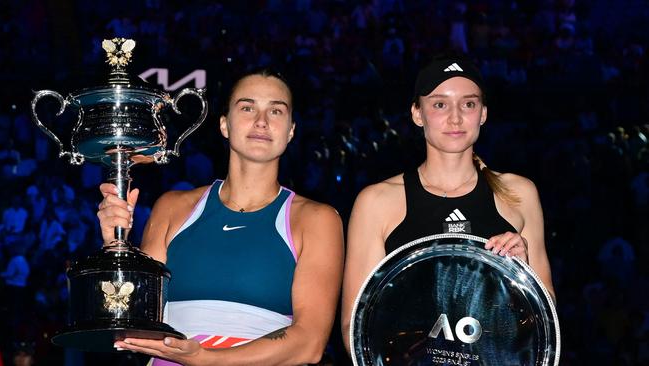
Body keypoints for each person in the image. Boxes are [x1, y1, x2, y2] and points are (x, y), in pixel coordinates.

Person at [98, 69, 344, 365]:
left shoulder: (317, 220)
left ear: (291, 130)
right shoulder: (173, 208)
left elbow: (310, 343)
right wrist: (115, 246)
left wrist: (209, 359)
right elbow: (134, 320)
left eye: (276, 110)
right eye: (247, 107)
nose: (261, 121)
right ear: (224, 125)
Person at [340, 55, 556, 352]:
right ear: (417, 113)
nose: (455, 118)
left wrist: (522, 275)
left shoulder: (519, 193)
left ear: (483, 114)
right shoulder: (377, 201)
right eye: (440, 104)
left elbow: (547, 322)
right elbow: (355, 324)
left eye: (468, 104)